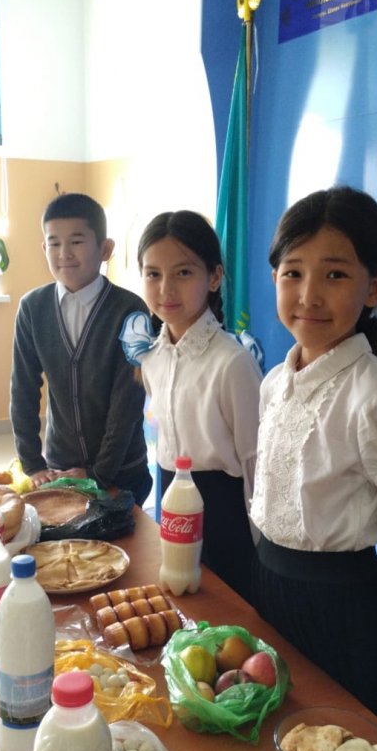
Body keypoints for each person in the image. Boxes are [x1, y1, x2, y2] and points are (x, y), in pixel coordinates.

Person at [250, 186, 377, 750]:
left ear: (375, 287)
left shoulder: (376, 399)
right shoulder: (275, 383)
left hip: (348, 617)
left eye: (335, 275)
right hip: (270, 591)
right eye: (293, 273)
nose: (309, 295)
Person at [121, 210, 262, 600]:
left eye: (183, 273)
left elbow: (257, 464)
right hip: (172, 501)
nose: (166, 289)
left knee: (226, 614)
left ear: (214, 277)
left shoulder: (232, 363)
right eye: (153, 274)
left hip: (225, 516)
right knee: (181, 608)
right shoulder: (152, 357)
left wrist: (263, 554)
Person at [10, 192, 152, 505]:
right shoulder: (32, 308)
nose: (64, 254)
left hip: (122, 471)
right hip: (59, 469)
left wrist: (97, 474)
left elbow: (127, 401)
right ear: (44, 248)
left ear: (105, 249)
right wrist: (32, 463)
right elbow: (23, 389)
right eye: (54, 243)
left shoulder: (131, 310)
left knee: (126, 535)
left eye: (76, 241)